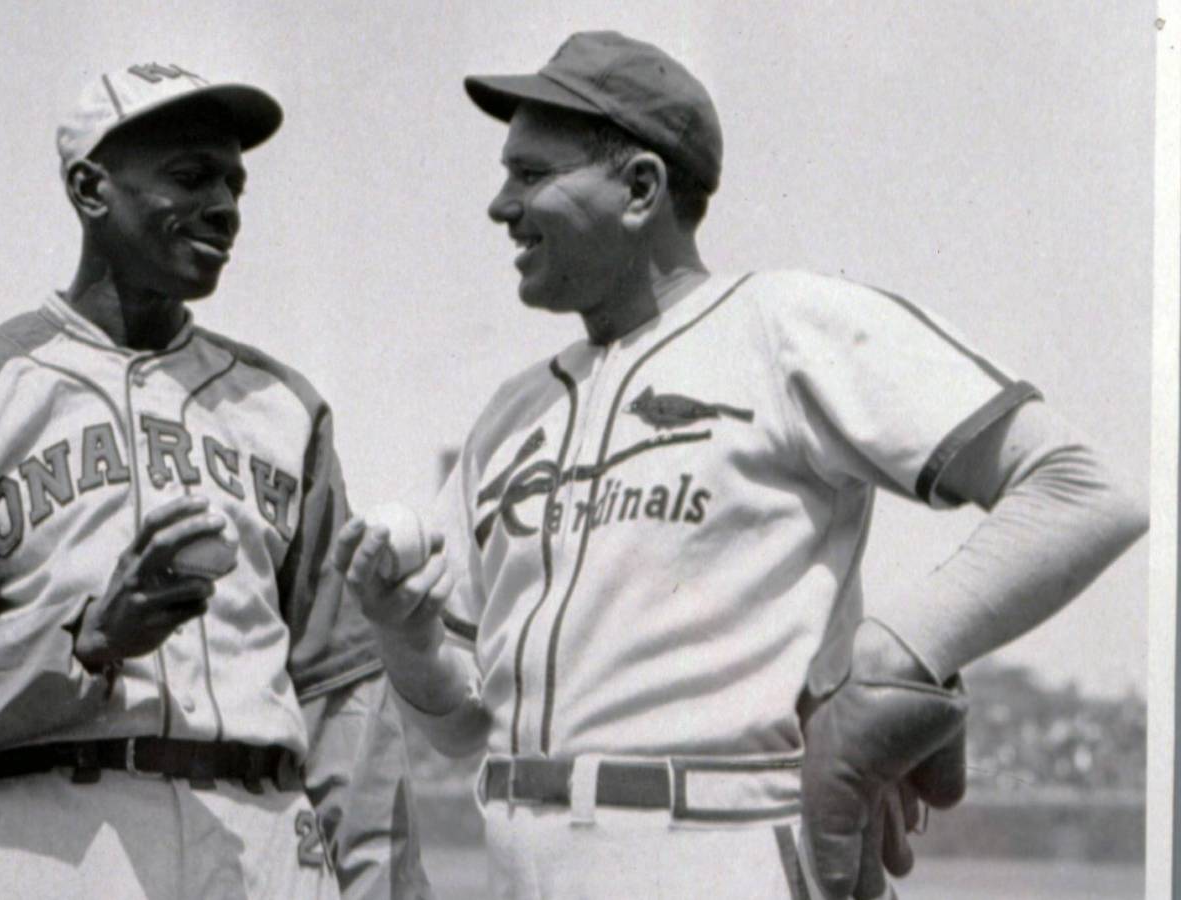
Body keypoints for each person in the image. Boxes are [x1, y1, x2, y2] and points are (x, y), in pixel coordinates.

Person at [333, 30, 1148, 900]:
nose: (501, 206)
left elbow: (1081, 489)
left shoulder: (784, 327)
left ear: (641, 188)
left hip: (717, 849)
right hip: (517, 862)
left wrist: (893, 655)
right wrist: (402, 630)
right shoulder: (509, 415)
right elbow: (461, 726)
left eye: (532, 175)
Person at [0, 62, 429, 900]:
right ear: (91, 189)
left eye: (235, 184)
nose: (225, 208)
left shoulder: (284, 407)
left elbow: (345, 699)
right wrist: (84, 639)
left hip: (257, 838)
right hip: (44, 836)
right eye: (191, 177)